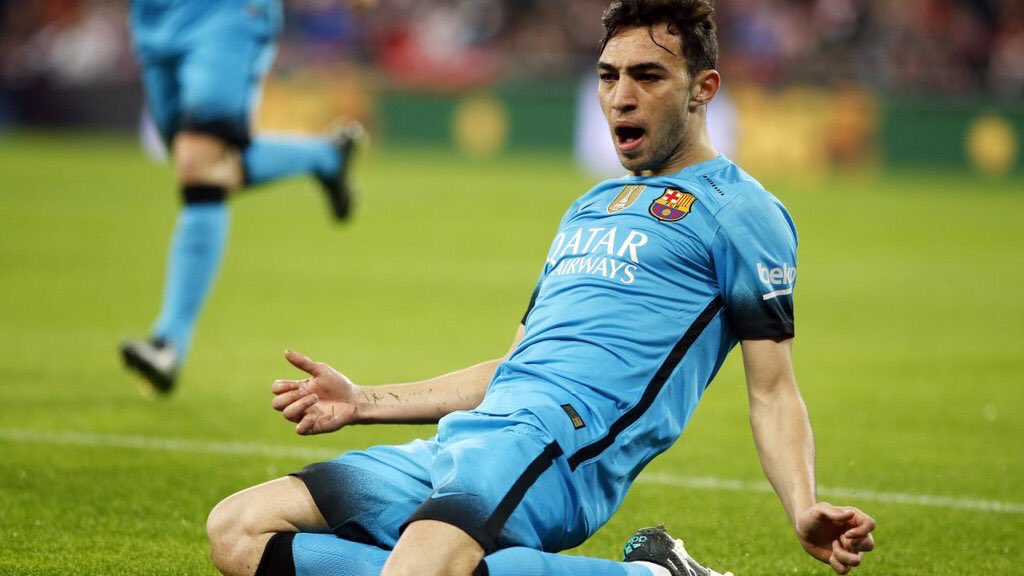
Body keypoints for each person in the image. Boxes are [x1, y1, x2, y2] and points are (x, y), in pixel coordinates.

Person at [206, 1, 877, 575]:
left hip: (556, 449)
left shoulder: (741, 211)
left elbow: (773, 389)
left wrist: (802, 505)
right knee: (237, 531)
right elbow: (511, 367)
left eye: (648, 76)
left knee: (422, 565)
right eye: (609, 76)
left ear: (704, 89)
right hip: (467, 440)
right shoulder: (589, 207)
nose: (621, 96)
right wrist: (363, 401)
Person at [120, 0, 375, 393]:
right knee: (199, 164)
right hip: (153, 16)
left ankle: (167, 342)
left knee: (200, 163)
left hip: (225, 14)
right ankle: (326, 157)